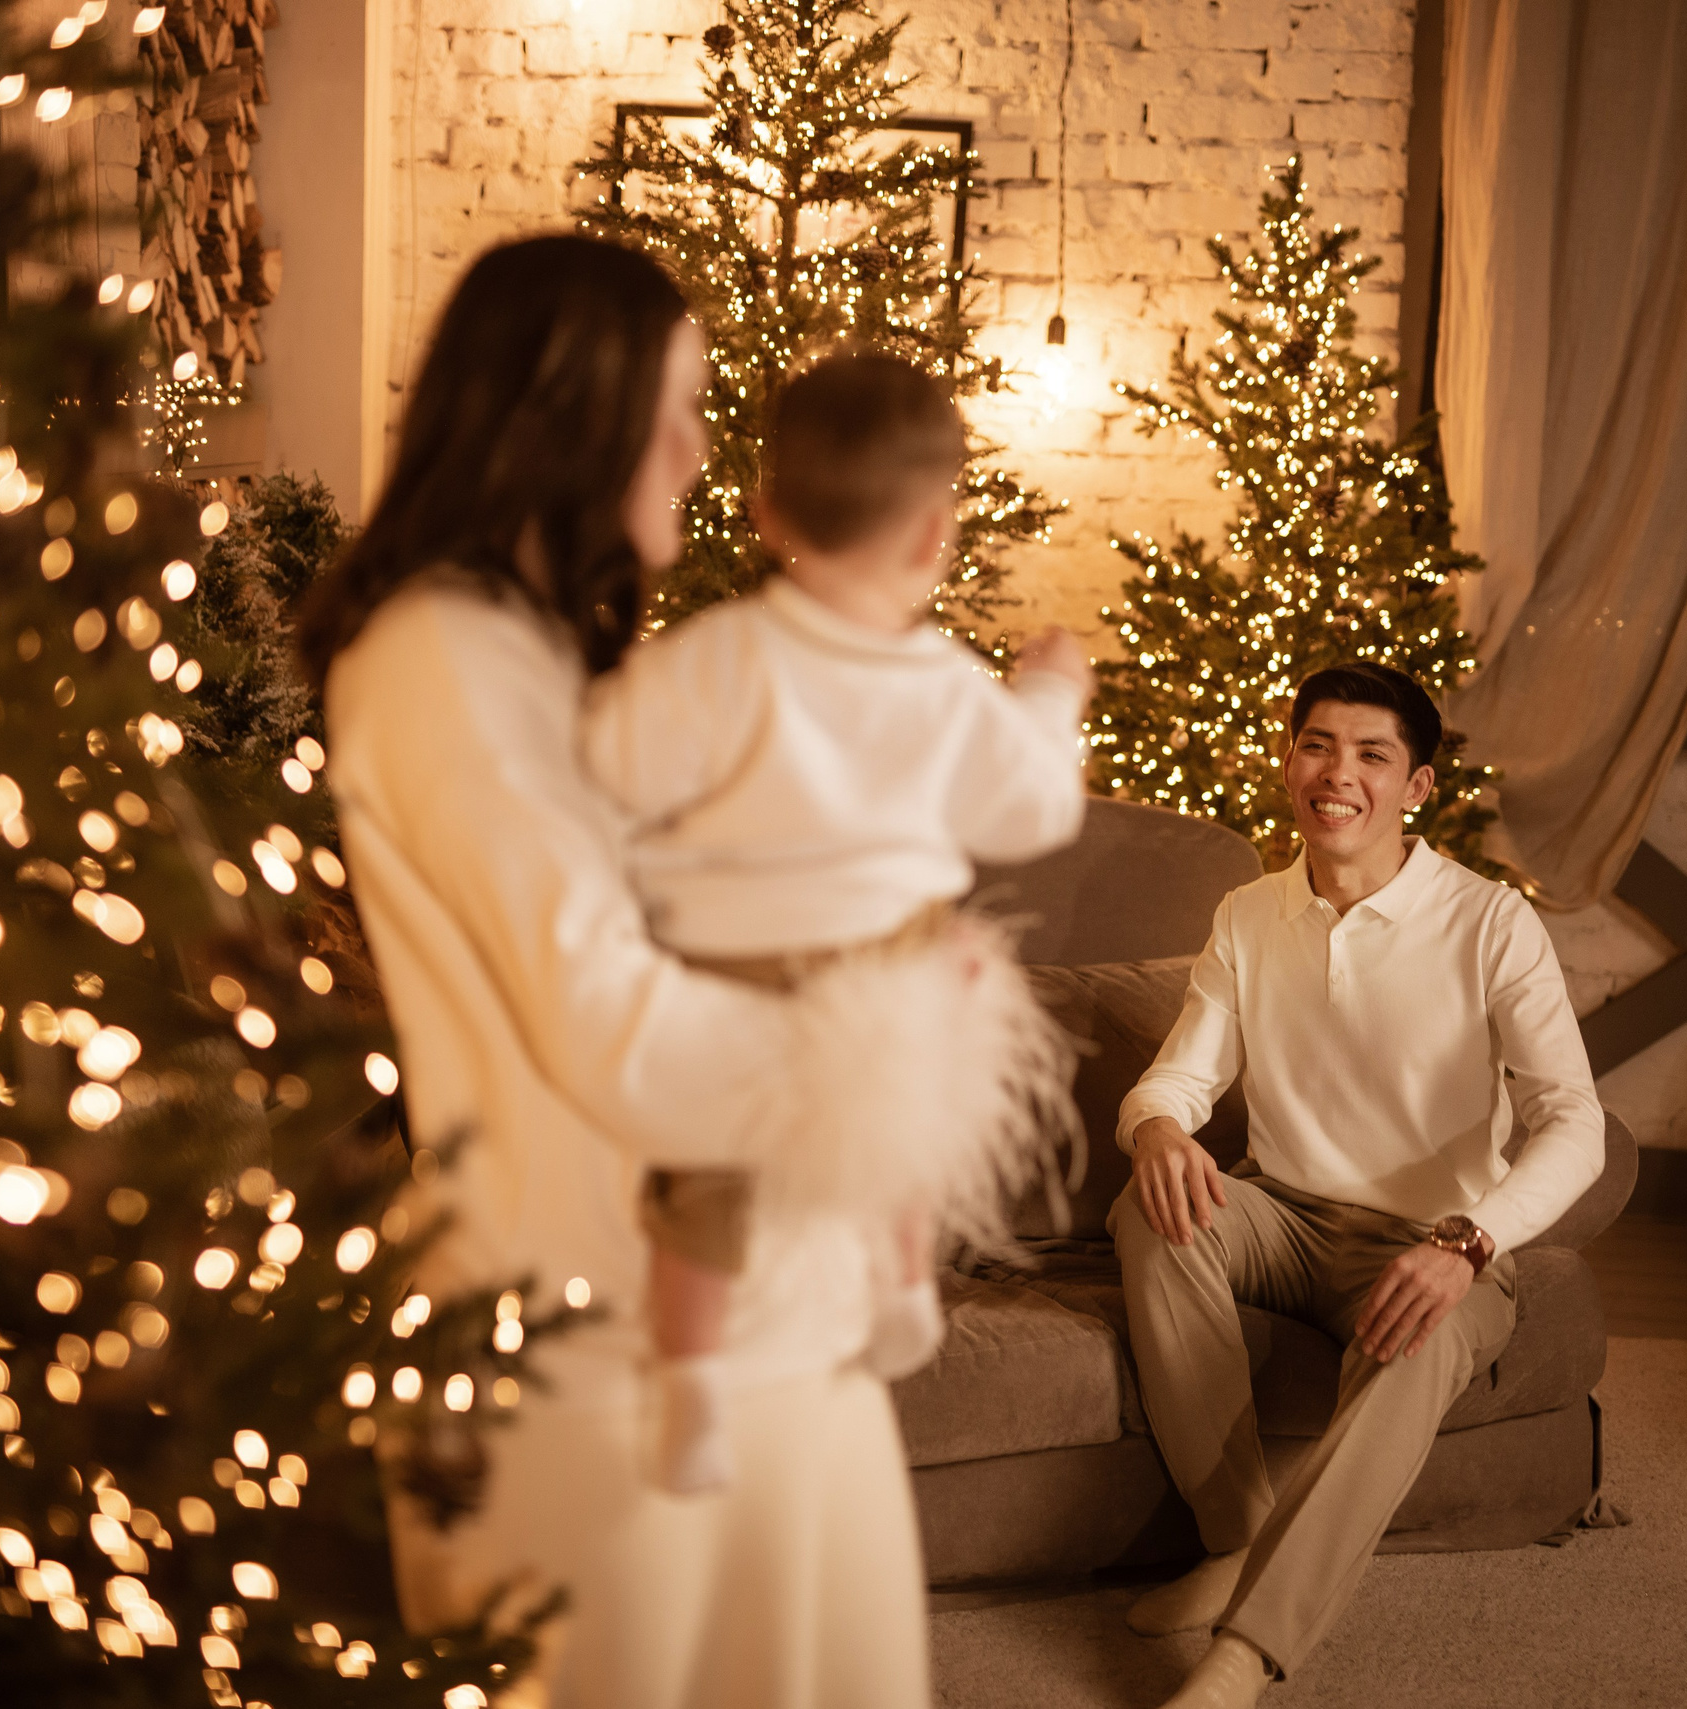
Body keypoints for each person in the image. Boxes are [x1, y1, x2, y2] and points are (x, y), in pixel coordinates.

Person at [300, 236, 942, 1709]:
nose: (703, 449)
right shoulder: (440, 659)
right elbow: (606, 1008)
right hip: (587, 1339)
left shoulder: (541, 652)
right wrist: (880, 1055)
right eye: (684, 403)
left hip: (724, 1306)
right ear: (569, 413)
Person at [578, 351, 1091, 1495]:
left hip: (733, 966)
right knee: (903, 1108)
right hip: (890, 955)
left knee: (700, 1176)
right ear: (933, 537)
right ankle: (904, 1279)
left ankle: (694, 1382)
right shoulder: (948, 685)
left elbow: (609, 763)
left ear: (765, 512)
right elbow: (1037, 806)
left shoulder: (715, 657)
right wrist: (1052, 693)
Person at [1109, 663, 1604, 1709]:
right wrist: (1155, 1127)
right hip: (1282, 1215)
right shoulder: (1247, 912)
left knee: (1419, 1335)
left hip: (1437, 1237)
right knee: (1149, 1214)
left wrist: (1469, 1242)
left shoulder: (1490, 923)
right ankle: (1239, 1536)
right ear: (1288, 759)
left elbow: (1575, 1121)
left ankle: (1243, 1655)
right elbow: (1181, 1077)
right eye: (1315, 744)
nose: (1336, 774)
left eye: (1371, 754)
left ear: (1416, 784)